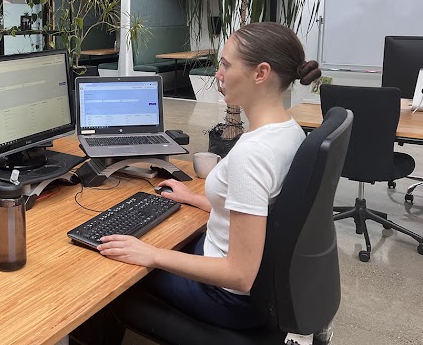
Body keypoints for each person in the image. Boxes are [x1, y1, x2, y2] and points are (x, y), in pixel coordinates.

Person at [72, 22, 322, 343]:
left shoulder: (253, 153)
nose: (218, 73)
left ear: (261, 73)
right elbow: (259, 212)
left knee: (109, 269)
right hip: (251, 282)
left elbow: (240, 275)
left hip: (226, 297)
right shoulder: (289, 131)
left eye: (226, 65)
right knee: (150, 242)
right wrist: (197, 199)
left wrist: (151, 255)